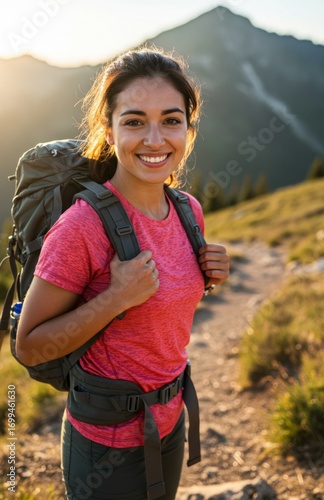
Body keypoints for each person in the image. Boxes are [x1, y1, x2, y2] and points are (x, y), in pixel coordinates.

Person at [16, 47, 230, 500]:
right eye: (134, 121)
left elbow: (161, 311)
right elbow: (31, 346)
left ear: (188, 130)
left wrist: (209, 275)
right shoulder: (82, 226)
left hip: (170, 421)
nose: (155, 139)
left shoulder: (188, 210)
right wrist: (114, 299)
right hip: (106, 444)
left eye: (171, 120)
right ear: (108, 132)